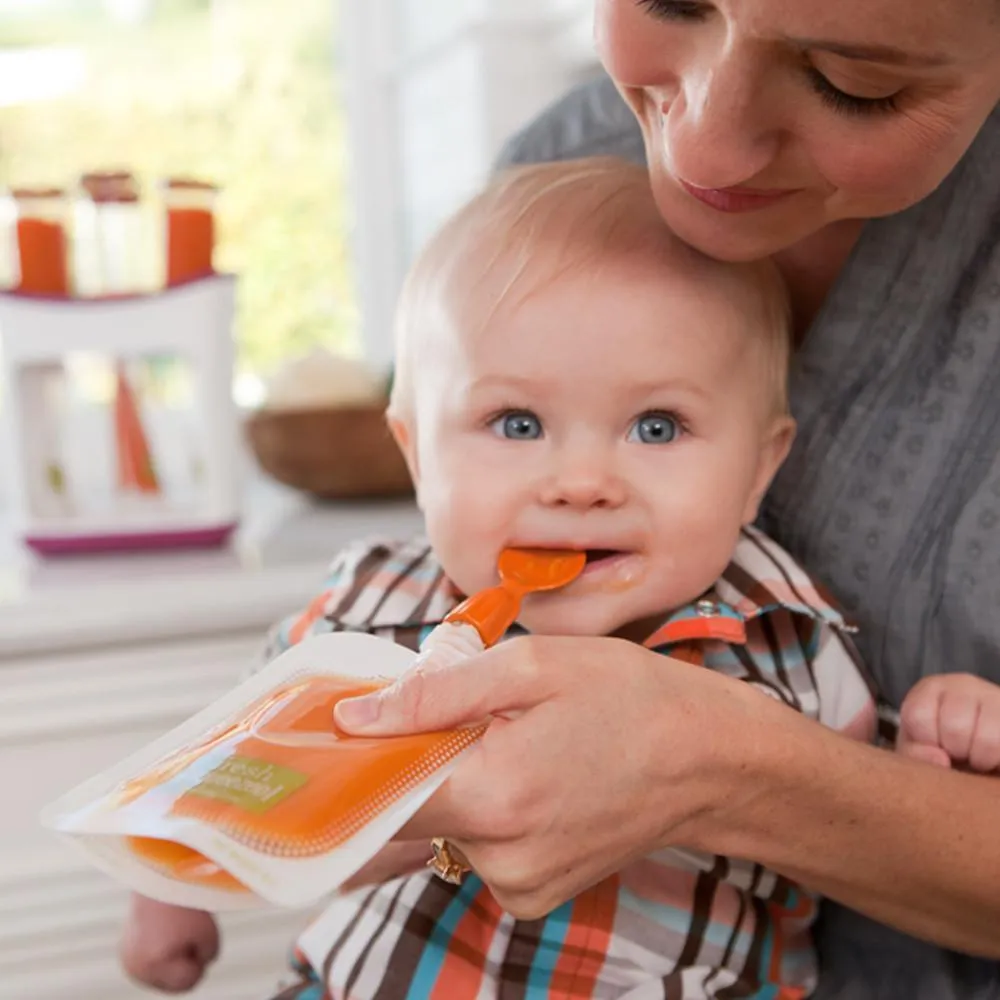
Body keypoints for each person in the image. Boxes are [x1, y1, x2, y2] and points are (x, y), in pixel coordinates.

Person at [121, 0, 1000, 994]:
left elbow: (892, 797)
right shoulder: (370, 601)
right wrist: (172, 887)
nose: (581, 483)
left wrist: (948, 729)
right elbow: (228, 760)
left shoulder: (784, 633)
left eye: (657, 428)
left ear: (764, 465)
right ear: (413, 450)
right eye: (517, 425)